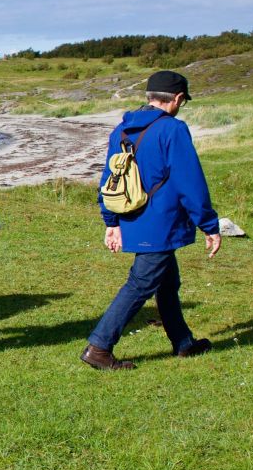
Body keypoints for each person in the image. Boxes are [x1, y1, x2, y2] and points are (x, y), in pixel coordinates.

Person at [82, 70, 221, 370]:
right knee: (141, 284)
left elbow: (109, 179)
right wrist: (209, 224)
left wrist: (111, 221)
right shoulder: (173, 130)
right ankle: (99, 347)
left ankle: (183, 343)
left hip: (133, 217)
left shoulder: (121, 129)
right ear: (178, 99)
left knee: (168, 283)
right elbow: (190, 181)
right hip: (161, 222)